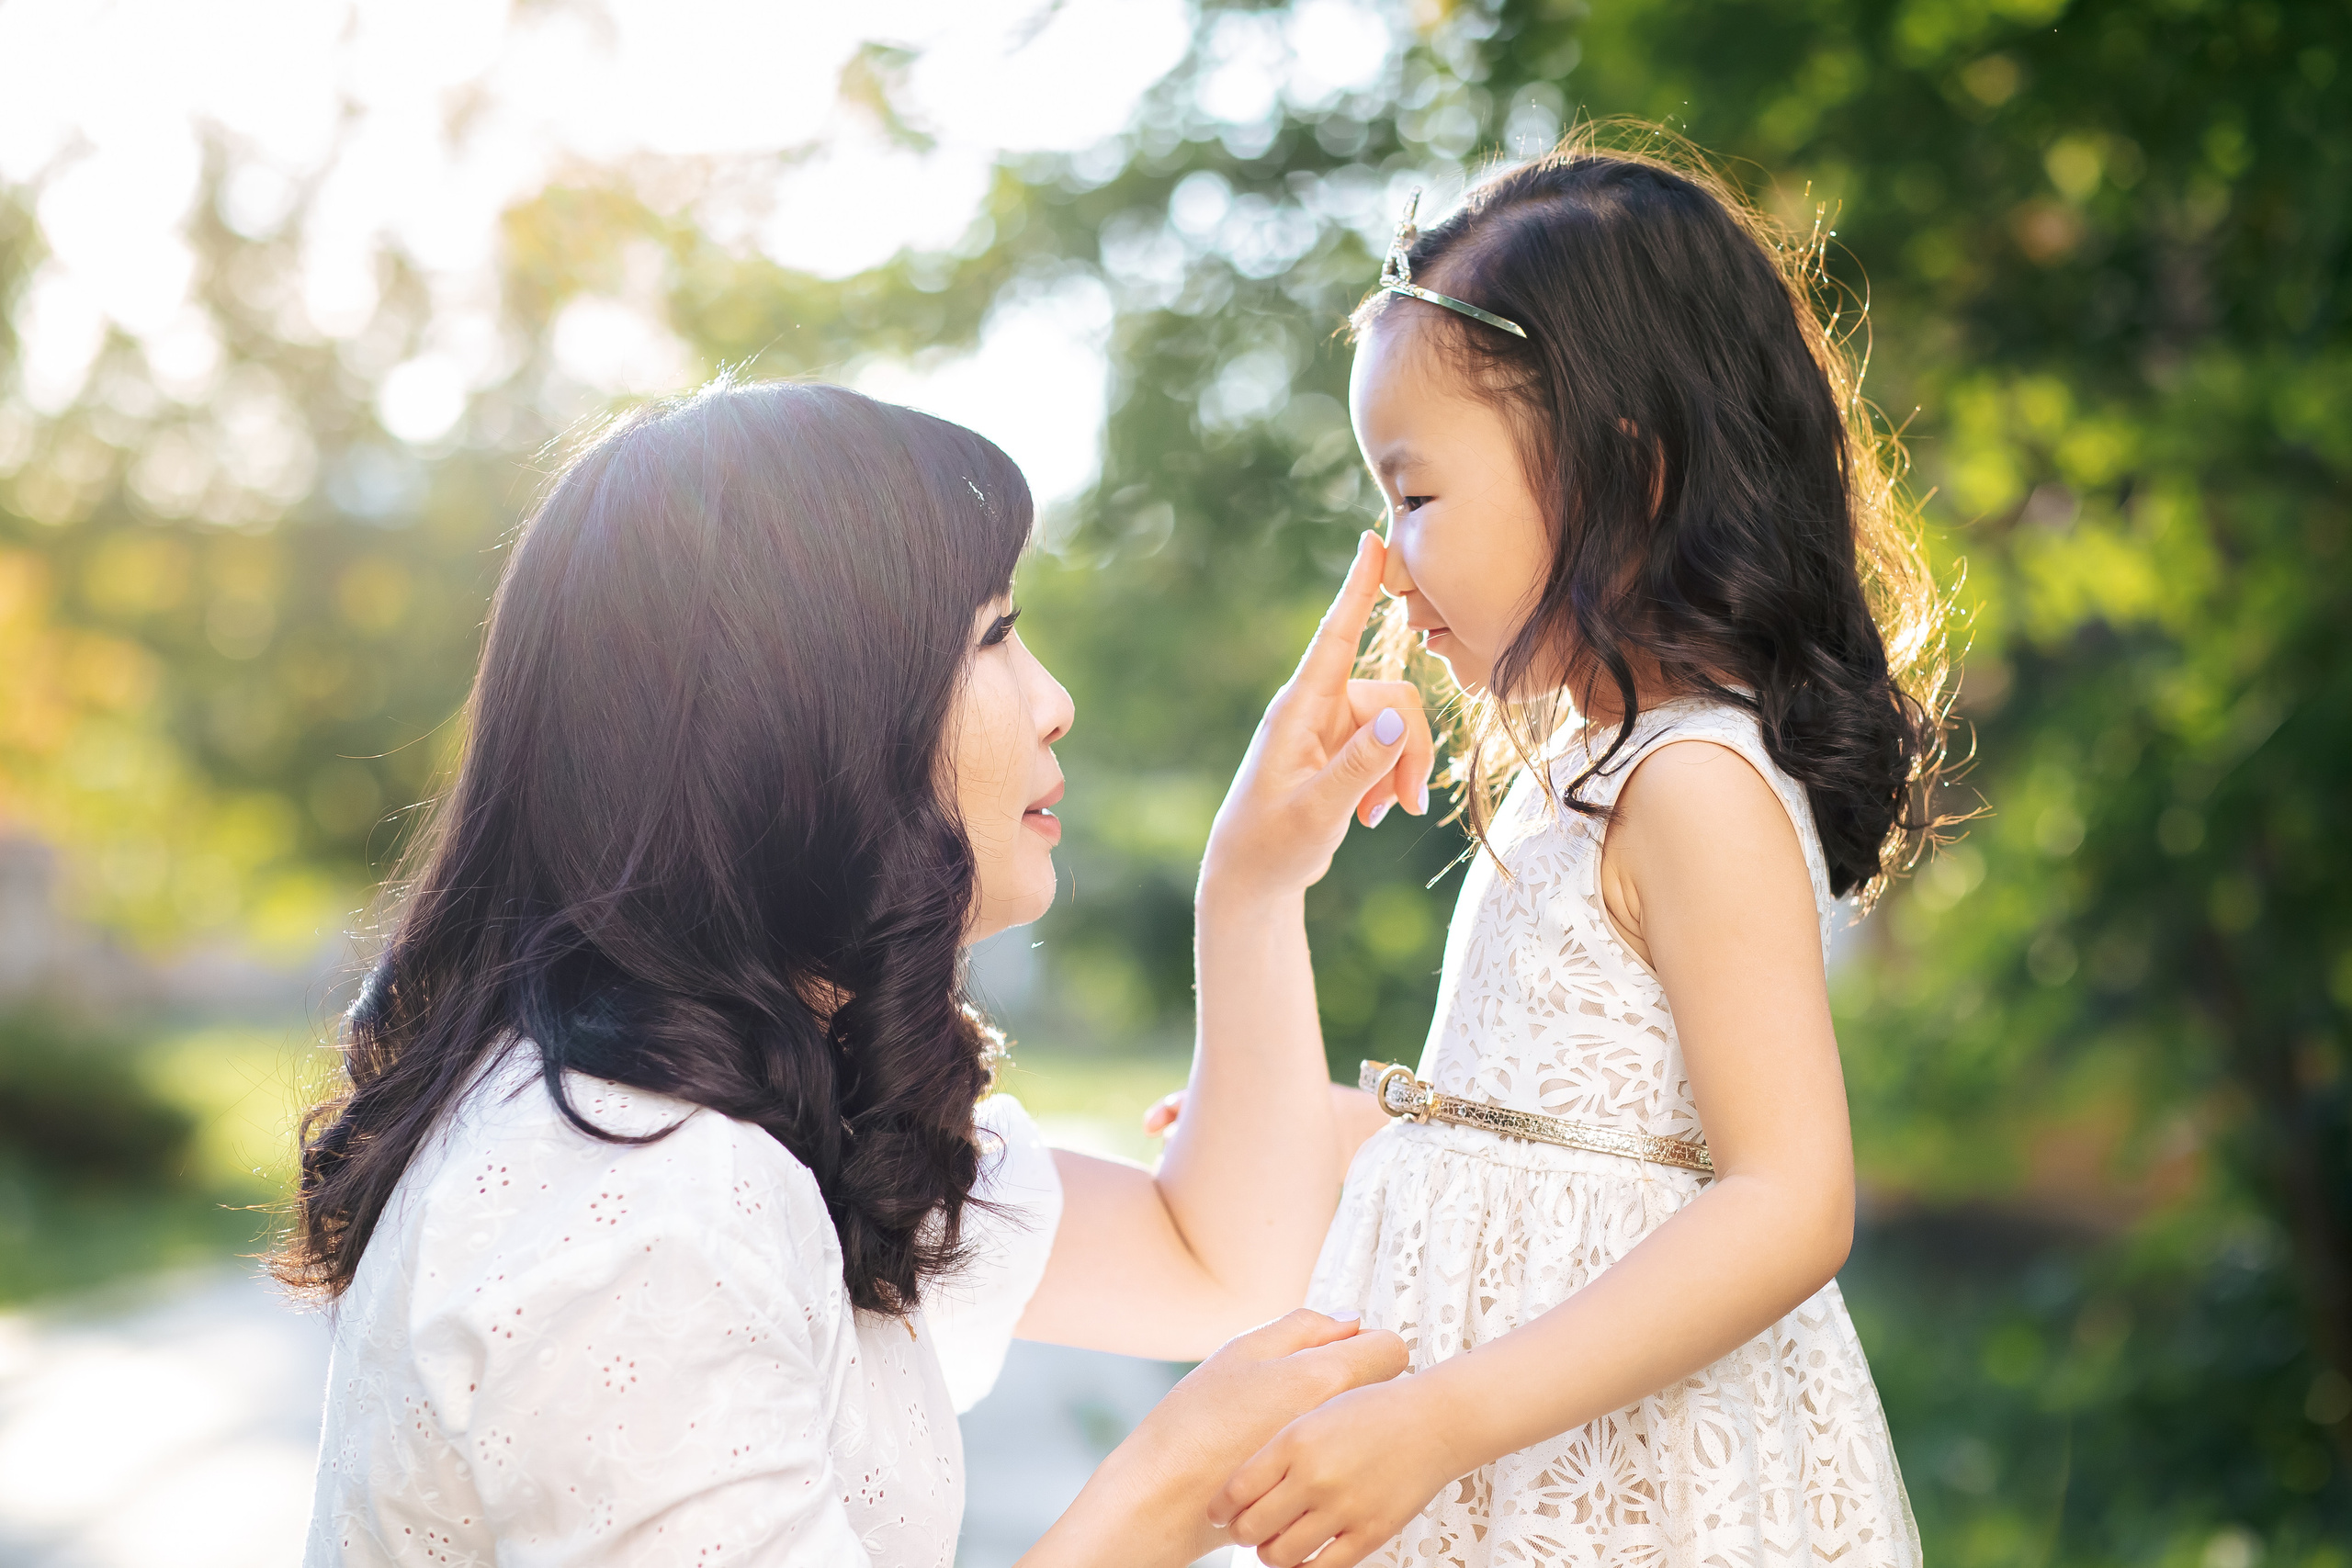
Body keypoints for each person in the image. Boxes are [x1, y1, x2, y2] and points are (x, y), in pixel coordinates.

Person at [277, 380, 1426, 1566]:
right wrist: (1171, 1488)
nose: (1055, 702)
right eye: (993, 636)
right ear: (806, 711)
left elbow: (1213, 1258)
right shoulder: (642, 1197)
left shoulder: (767, 1091)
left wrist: (1252, 883)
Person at [1198, 133, 1951, 1567]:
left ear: (1626, 473)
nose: (1384, 559)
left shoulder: (1695, 784)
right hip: (1503, 1466)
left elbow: (1789, 1201)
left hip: (1615, 1479)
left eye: (1415, 497)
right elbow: (1582, 1142)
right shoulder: (1578, 772)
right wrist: (1367, 1140)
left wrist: (1440, 1422)